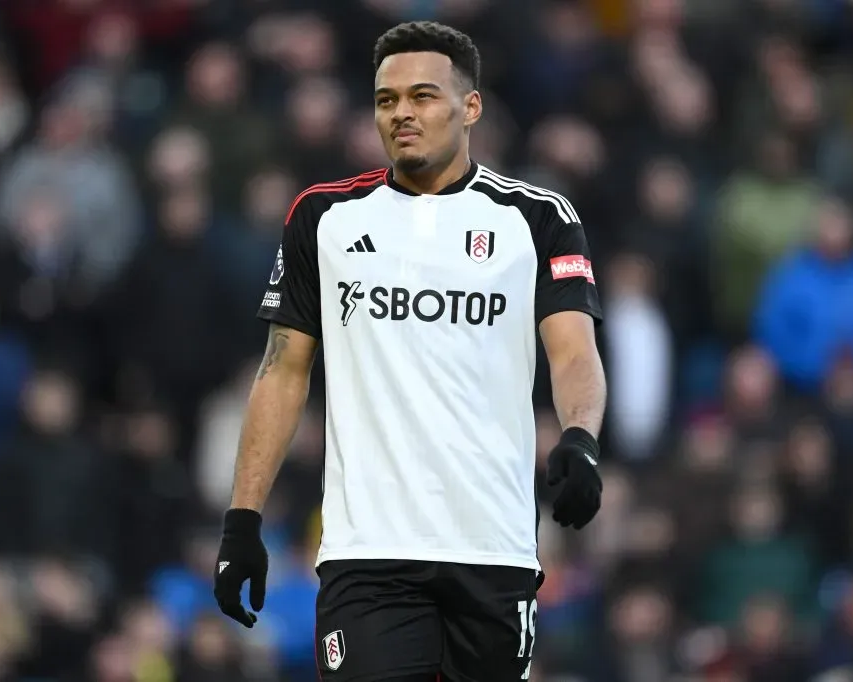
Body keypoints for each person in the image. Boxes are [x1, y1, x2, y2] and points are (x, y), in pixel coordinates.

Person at [213, 20, 607, 681]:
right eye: (386, 99)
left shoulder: (538, 218)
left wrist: (580, 438)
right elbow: (282, 371)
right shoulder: (324, 217)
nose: (401, 113)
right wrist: (242, 520)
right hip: (368, 551)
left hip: (493, 546)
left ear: (470, 106)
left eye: (422, 96)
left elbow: (573, 352)